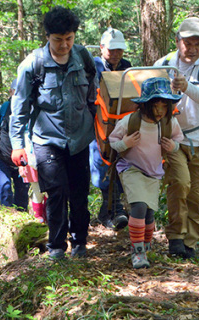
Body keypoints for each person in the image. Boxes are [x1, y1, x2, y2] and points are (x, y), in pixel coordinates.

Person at [10, 6, 97, 259]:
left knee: (80, 192)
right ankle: (56, 246)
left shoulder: (83, 57)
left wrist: (95, 121)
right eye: (58, 39)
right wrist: (17, 144)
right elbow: (20, 107)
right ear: (47, 36)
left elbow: (94, 89)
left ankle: (80, 241)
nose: (64, 45)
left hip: (80, 138)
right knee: (57, 192)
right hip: (47, 140)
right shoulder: (32, 65)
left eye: (69, 38)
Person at [154, 17, 199, 258]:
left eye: (198, 44)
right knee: (179, 185)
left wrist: (186, 87)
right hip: (173, 139)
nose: (193, 50)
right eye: (188, 43)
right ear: (177, 41)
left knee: (196, 193)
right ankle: (175, 237)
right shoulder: (162, 64)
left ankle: (190, 243)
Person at [109, 77, 184, 268]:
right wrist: (125, 144)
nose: (160, 110)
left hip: (154, 171)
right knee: (140, 207)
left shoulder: (169, 123)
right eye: (155, 105)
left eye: (164, 106)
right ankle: (138, 251)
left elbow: (178, 141)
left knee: (149, 212)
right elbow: (113, 142)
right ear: (145, 105)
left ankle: (146, 244)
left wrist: (173, 146)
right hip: (130, 167)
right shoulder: (131, 121)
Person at [90, 27, 132, 230]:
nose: (115, 54)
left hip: (123, 125)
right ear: (102, 48)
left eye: (119, 50)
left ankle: (114, 210)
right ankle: (112, 211)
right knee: (103, 167)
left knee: (123, 165)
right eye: (111, 50)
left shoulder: (128, 68)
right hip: (98, 128)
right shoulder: (93, 67)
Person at [0, 81, 29, 211]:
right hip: (1, 159)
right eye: (16, 91)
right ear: (11, 92)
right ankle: (7, 218)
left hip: (22, 161)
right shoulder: (0, 110)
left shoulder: (28, 111)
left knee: (23, 192)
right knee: (5, 187)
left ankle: (21, 222)